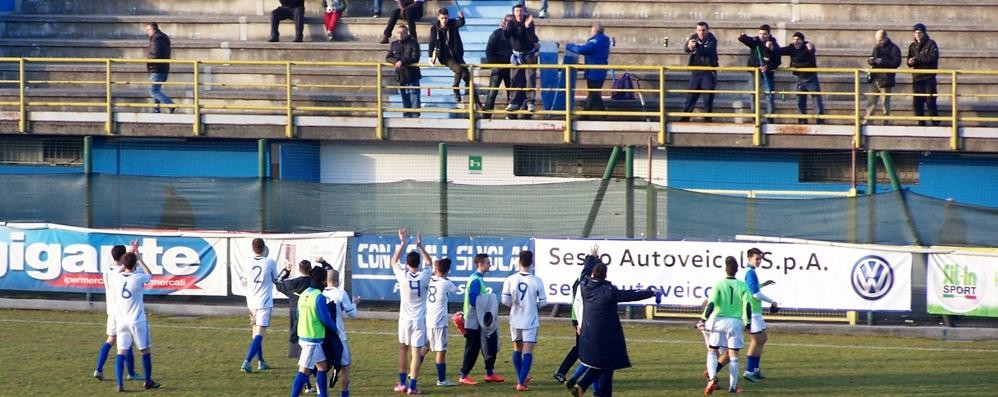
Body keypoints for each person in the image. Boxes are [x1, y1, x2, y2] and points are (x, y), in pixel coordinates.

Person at [570, 246, 658, 397]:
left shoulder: (584, 285)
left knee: (603, 366)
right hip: (606, 337)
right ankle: (583, 384)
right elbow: (631, 295)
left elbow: (585, 268)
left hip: (588, 334)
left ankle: (583, 386)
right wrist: (651, 292)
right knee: (606, 365)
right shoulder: (609, 292)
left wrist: (592, 256)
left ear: (592, 274)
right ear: (605, 276)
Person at [105, 251, 160, 392]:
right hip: (137, 320)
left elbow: (119, 271)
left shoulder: (116, 278)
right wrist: (139, 257)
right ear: (135, 264)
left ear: (124, 264)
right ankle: (148, 381)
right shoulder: (138, 278)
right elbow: (150, 274)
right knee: (145, 351)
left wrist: (126, 261)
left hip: (121, 321)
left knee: (121, 352)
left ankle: (119, 383)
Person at [697, 256, 752, 395]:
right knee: (734, 356)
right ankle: (732, 387)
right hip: (734, 322)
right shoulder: (743, 285)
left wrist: (703, 319)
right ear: (737, 270)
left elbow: (712, 303)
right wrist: (748, 323)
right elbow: (748, 305)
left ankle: (711, 378)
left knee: (712, 351)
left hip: (719, 321)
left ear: (725, 269)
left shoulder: (719, 284)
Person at [389, 228, 433, 394]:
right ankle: (412, 386)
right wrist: (421, 247)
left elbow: (393, 261)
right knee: (416, 354)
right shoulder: (424, 275)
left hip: (405, 320)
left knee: (403, 349)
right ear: (418, 263)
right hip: (419, 320)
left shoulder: (403, 275)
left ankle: (401, 383)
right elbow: (429, 263)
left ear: (407, 263)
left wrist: (402, 243)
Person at [500, 250, 547, 391]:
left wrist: (515, 304)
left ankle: (522, 377)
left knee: (517, 349)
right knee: (527, 351)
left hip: (515, 319)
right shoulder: (536, 280)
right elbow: (543, 302)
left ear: (519, 262)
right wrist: (533, 305)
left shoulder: (510, 279)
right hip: (530, 319)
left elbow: (505, 301)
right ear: (531, 263)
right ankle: (521, 382)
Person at [93, 244, 140, 383]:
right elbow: (127, 270)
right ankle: (131, 373)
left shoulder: (107, 269)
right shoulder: (120, 272)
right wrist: (133, 253)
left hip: (111, 311)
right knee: (127, 342)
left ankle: (99, 369)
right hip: (121, 311)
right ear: (122, 257)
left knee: (111, 340)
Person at [288, 266, 336, 397]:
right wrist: (335, 330)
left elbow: (297, 314)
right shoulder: (319, 297)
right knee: (303, 371)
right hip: (313, 339)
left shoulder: (304, 294)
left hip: (303, 335)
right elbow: (325, 319)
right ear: (323, 281)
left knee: (322, 366)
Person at [458, 253, 505, 385]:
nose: (490, 264)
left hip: (478, 320)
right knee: (473, 348)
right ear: (480, 264)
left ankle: (490, 373)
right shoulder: (475, 280)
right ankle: (464, 375)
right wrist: (488, 301)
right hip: (473, 320)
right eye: (488, 262)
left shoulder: (478, 279)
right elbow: (473, 300)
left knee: (488, 345)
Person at [276, 259, 317, 393]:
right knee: (314, 356)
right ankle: (311, 384)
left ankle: (308, 384)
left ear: (299, 270)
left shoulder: (293, 284)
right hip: (312, 324)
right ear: (310, 270)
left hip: (296, 324)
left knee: (304, 355)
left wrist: (286, 271)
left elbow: (278, 282)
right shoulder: (314, 284)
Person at [240, 238, 280, 373]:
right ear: (264, 248)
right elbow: (277, 280)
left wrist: (250, 288)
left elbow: (243, 279)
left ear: (253, 248)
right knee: (260, 335)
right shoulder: (270, 262)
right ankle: (247, 361)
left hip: (251, 302)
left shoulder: (247, 262)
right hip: (264, 302)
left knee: (255, 333)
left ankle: (261, 362)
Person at [320, 260, 360, 396]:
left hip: (322, 336)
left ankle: (322, 393)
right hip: (338, 336)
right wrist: (354, 304)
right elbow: (352, 314)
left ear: (325, 280)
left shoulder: (319, 294)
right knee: (345, 367)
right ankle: (344, 394)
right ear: (338, 280)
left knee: (322, 367)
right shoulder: (341, 293)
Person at [742, 248, 779, 382]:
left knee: (762, 339)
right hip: (752, 312)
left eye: (760, 258)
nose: (759, 261)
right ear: (749, 258)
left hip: (756, 311)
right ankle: (749, 371)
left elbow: (753, 288)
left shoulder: (750, 272)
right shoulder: (750, 272)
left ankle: (755, 369)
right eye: (756, 258)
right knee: (757, 340)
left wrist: (763, 284)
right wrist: (772, 301)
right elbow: (754, 293)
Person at [429, 8, 477, 106]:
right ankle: (455, 88)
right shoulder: (434, 28)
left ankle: (477, 102)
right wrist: (430, 56)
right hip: (445, 57)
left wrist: (461, 17)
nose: (444, 20)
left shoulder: (452, 24)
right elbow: (431, 43)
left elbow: (461, 23)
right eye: (442, 18)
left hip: (457, 55)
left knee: (468, 78)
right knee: (458, 70)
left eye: (446, 18)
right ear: (438, 18)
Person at [565, 22, 611, 119]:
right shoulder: (604, 40)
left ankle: (600, 114)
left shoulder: (595, 41)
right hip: (600, 70)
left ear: (595, 30)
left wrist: (569, 46)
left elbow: (583, 49)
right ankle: (586, 114)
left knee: (594, 93)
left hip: (594, 71)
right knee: (593, 93)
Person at [425, 257, 458, 387]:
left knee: (426, 346)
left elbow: (435, 275)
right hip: (439, 323)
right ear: (448, 271)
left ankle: (413, 372)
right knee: (441, 351)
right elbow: (454, 289)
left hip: (428, 320)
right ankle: (442, 380)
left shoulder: (430, 279)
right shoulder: (446, 283)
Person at [738, 25, 780, 123]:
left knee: (769, 96)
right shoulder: (755, 42)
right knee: (753, 95)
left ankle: (770, 118)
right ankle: (755, 117)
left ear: (769, 34)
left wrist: (767, 67)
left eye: (764, 34)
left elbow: (777, 62)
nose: (762, 36)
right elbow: (748, 41)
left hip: (768, 74)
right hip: (754, 73)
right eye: (760, 34)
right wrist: (742, 36)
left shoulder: (775, 45)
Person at [779, 32, 824, 124]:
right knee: (800, 101)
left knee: (816, 99)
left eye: (798, 39)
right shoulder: (791, 48)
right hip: (800, 78)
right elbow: (779, 51)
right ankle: (802, 120)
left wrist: (795, 65)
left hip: (811, 78)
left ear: (802, 41)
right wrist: (770, 47)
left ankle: (820, 120)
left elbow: (810, 60)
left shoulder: (807, 48)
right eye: (794, 39)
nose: (796, 41)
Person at [504, 4, 540, 115]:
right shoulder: (511, 23)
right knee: (515, 78)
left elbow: (532, 38)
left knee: (530, 79)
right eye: (517, 11)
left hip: (529, 54)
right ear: (514, 13)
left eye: (521, 11)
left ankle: (530, 102)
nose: (519, 13)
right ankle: (514, 102)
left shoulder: (529, 22)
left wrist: (527, 27)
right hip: (517, 55)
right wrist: (504, 29)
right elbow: (509, 35)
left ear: (523, 12)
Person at [682, 21, 719, 122]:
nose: (701, 32)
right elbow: (686, 49)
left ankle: (708, 120)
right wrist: (689, 47)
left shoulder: (712, 39)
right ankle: (684, 119)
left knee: (708, 99)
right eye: (699, 30)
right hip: (696, 72)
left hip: (708, 71)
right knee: (690, 97)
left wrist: (697, 47)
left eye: (703, 30)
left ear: (707, 30)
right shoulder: (694, 37)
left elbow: (708, 52)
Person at [865, 30, 902, 125]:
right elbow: (871, 58)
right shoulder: (876, 48)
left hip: (886, 79)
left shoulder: (894, 48)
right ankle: (869, 120)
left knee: (885, 103)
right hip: (875, 77)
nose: (878, 42)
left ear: (885, 38)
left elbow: (896, 63)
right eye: (877, 40)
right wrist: (871, 60)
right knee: (871, 101)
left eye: (880, 40)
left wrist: (882, 61)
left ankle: (885, 122)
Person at [907, 23, 940, 126]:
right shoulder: (912, 46)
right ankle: (920, 123)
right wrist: (910, 62)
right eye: (916, 33)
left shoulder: (931, 44)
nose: (917, 35)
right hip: (917, 78)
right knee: (917, 102)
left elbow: (932, 57)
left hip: (929, 77)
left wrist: (917, 58)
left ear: (924, 33)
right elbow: (908, 59)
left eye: (920, 32)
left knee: (930, 101)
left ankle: (935, 122)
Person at [482, 15, 514, 118]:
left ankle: (511, 115)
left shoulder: (515, 35)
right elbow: (489, 50)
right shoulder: (496, 33)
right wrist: (494, 65)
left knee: (512, 94)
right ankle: (486, 115)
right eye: (507, 22)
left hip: (511, 67)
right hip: (498, 67)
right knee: (492, 92)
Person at [386, 25, 422, 118]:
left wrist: (402, 61)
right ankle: (406, 116)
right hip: (400, 75)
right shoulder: (394, 44)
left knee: (414, 96)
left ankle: (415, 117)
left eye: (403, 32)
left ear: (407, 33)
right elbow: (388, 57)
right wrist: (395, 61)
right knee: (404, 97)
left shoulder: (413, 43)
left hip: (412, 75)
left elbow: (415, 57)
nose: (400, 35)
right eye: (398, 32)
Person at [146, 22, 174, 114]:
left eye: (148, 30)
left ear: (153, 29)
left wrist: (149, 62)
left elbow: (155, 54)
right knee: (156, 89)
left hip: (156, 68)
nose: (147, 32)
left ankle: (170, 104)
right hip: (163, 68)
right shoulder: (162, 38)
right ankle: (156, 110)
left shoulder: (155, 39)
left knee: (153, 90)